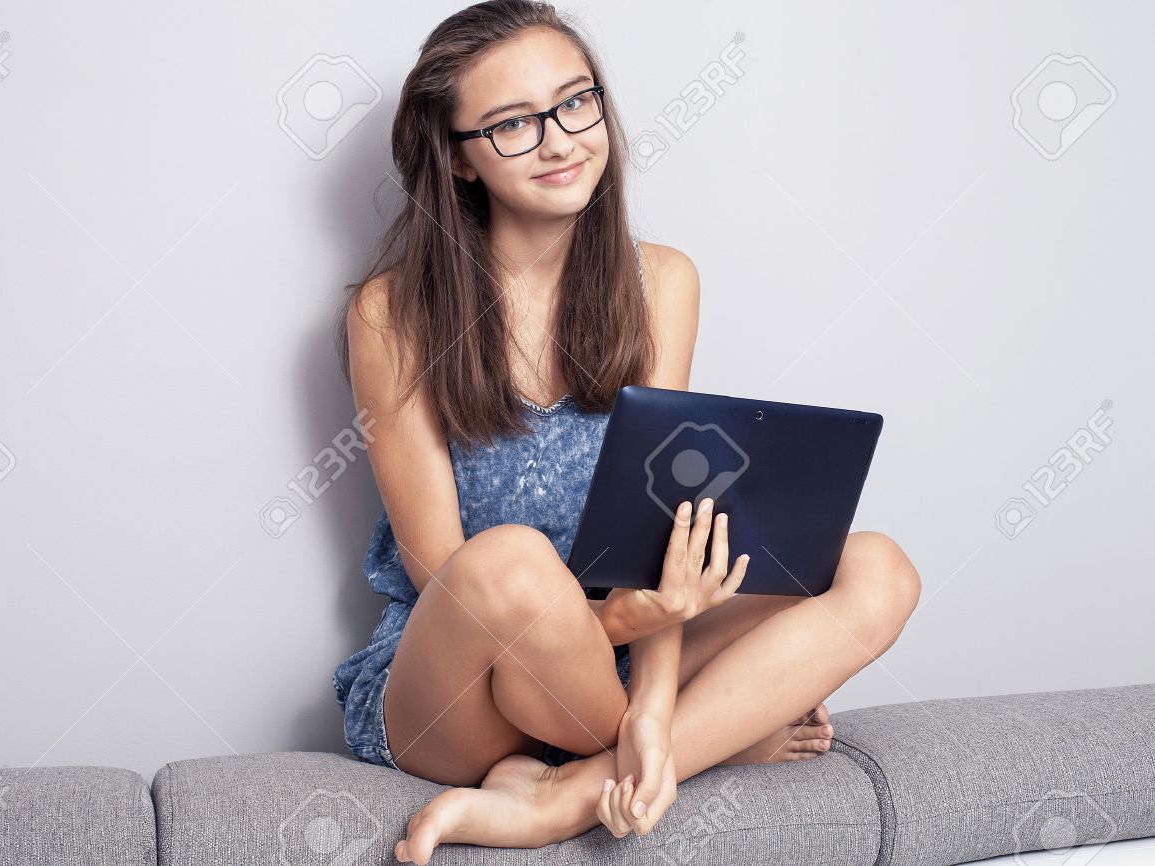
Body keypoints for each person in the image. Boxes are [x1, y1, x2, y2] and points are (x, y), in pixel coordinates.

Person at [328, 1, 922, 862]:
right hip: (464, 684)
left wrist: (651, 703)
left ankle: (565, 794)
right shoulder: (391, 314)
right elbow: (443, 572)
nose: (561, 141)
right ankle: (713, 737)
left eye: (577, 103)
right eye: (514, 125)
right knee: (509, 561)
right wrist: (619, 624)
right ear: (457, 158)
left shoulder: (663, 283)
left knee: (877, 567)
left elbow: (665, 525)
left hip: (615, 663)